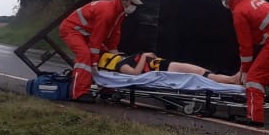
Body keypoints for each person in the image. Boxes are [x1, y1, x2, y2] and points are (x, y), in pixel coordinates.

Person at [59, 0, 143, 101]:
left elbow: (114, 33)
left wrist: (113, 51)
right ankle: (78, 93)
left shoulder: (119, 12)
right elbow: (97, 38)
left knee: (108, 56)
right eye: (133, 4)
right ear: (124, 0)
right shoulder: (107, 12)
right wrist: (94, 60)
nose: (134, 7)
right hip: (72, 29)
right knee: (85, 55)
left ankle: (106, 89)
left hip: (85, 32)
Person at [97, 51, 237, 83]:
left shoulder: (123, 59)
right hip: (163, 69)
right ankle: (230, 80)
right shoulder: (122, 65)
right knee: (200, 73)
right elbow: (134, 73)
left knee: (201, 71)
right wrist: (144, 57)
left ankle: (230, 80)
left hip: (164, 65)